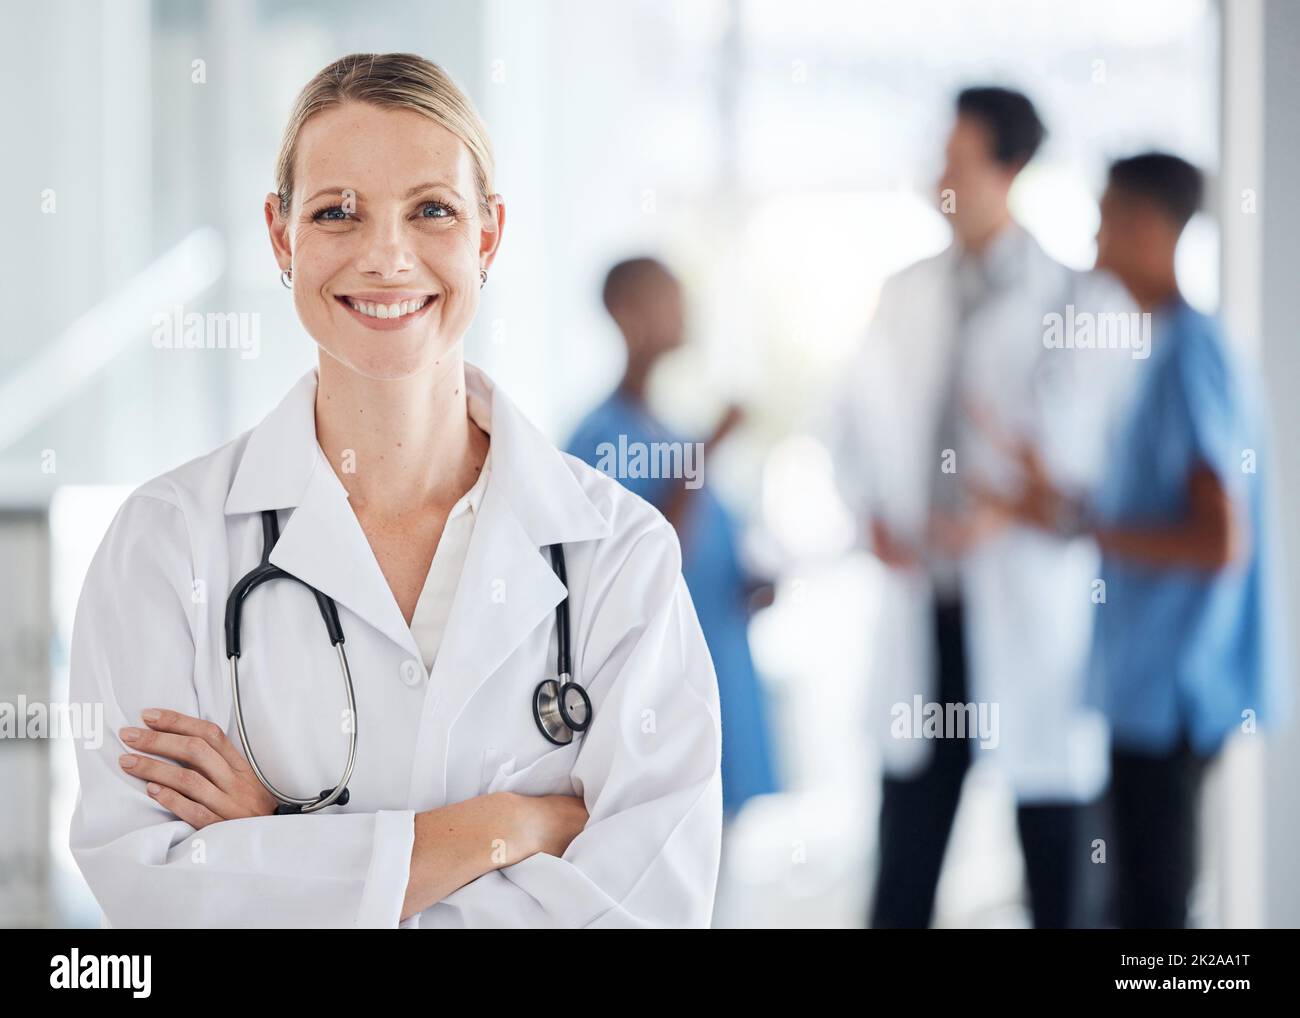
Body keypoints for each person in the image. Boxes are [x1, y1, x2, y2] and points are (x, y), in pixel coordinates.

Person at [67, 53, 723, 929]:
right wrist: (507, 827)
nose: (385, 255)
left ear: (486, 237)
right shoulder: (163, 544)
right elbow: (154, 896)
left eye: (432, 211)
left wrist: (278, 847)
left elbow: (649, 907)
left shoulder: (618, 556)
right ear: (279, 235)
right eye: (337, 212)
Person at [827, 87, 1136, 928]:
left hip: (1031, 610)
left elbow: (1097, 466)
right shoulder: (904, 292)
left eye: (957, 159)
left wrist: (1021, 503)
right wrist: (871, 515)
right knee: (906, 860)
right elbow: (848, 425)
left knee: (1059, 859)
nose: (940, 176)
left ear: (1012, 167)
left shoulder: (1081, 302)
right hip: (928, 605)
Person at [976, 153, 1288, 928]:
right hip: (1149, 692)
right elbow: (1150, 512)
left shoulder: (1192, 355)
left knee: (1155, 915)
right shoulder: (1162, 352)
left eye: (1106, 215)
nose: (1092, 235)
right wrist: (1056, 504)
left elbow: (1219, 540)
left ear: (1149, 227)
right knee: (1138, 903)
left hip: (1172, 691)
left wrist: (1089, 526)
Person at [565, 257, 780, 819]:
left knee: (717, 850)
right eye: (670, 299)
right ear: (627, 313)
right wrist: (711, 447)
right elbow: (645, 555)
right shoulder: (600, 437)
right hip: (659, 688)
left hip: (719, 659)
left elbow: (710, 551)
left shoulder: (670, 429)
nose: (687, 313)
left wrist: (752, 582)